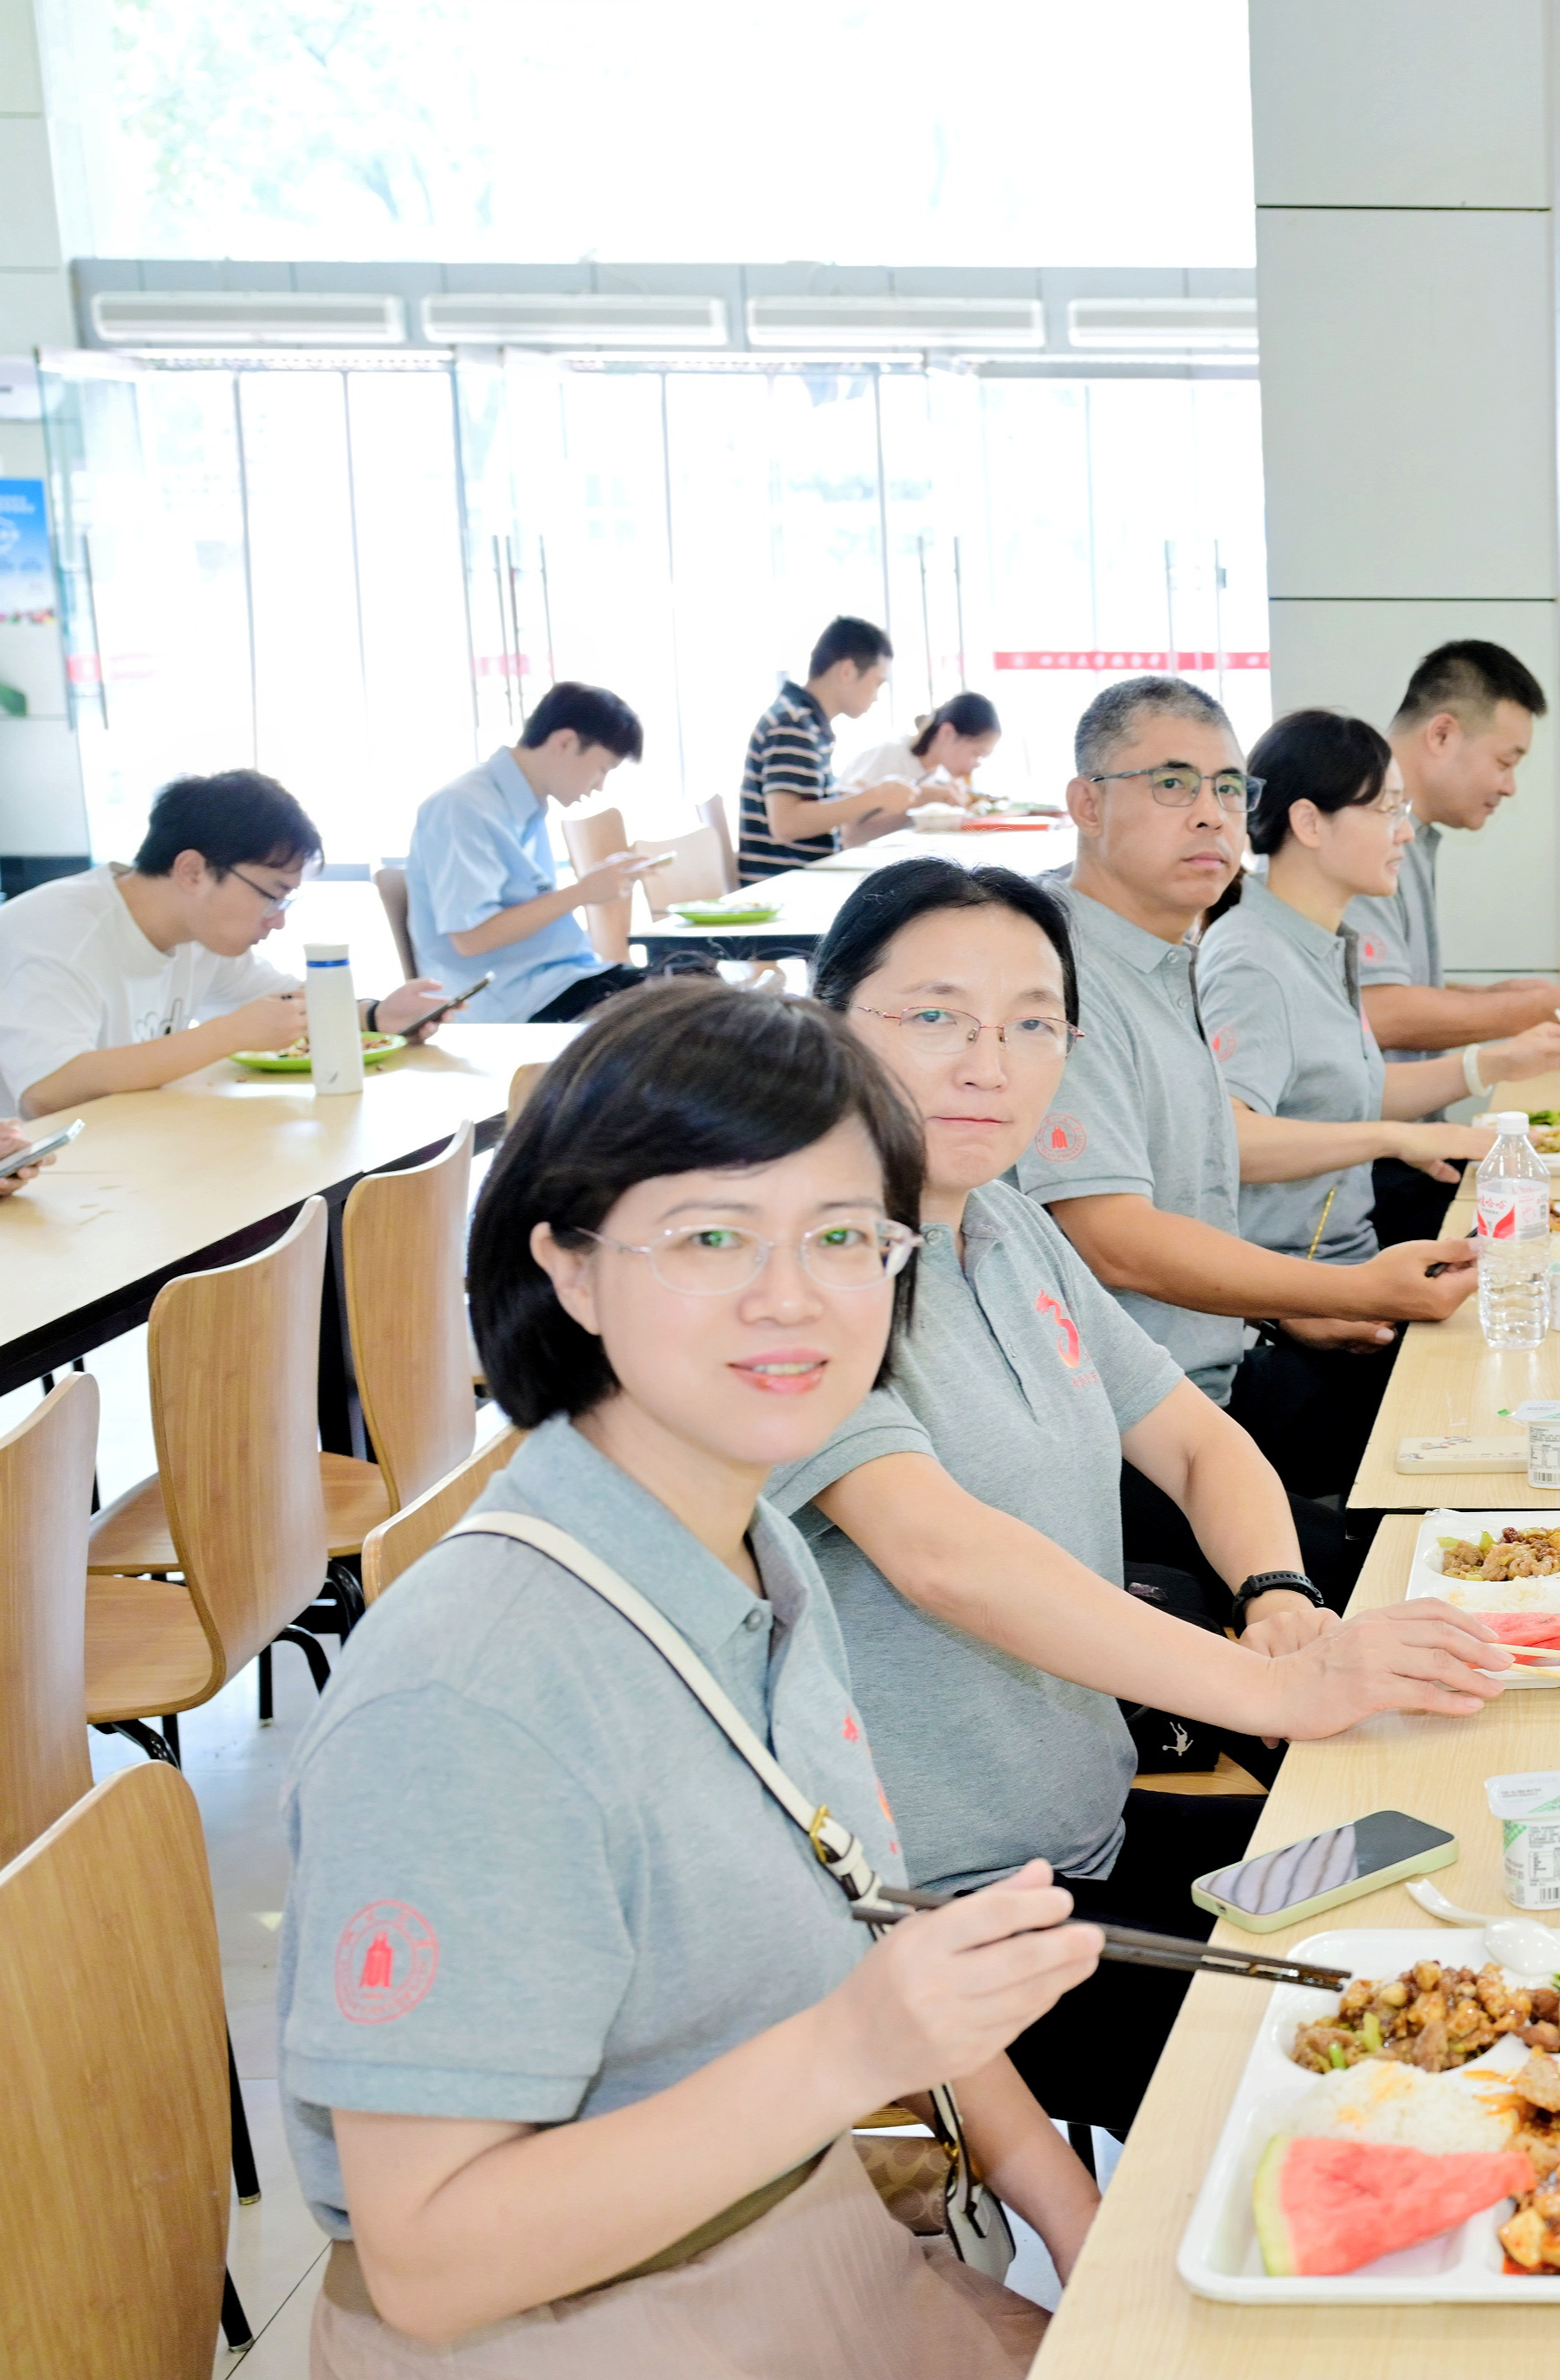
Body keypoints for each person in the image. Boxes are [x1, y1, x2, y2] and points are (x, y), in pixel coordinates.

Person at [277, 978, 1097, 2374]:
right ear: (570, 1268)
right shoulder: (473, 1697)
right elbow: (426, 2263)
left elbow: (879, 1949)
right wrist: (852, 2050)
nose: (791, 1297)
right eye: (712, 1236)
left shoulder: (744, 1549)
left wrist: (1082, 2223)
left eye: (843, 1236)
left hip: (822, 2246)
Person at [786, 857, 1508, 2131]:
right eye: (937, 1016)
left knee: (1450, 1890)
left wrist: (1278, 1598)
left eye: (1032, 1025)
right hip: (944, 1925)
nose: (989, 1065)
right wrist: (1272, 1692)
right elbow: (943, 1558)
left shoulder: (1004, 1225)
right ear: (826, 1021)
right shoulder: (800, 1279)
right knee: (1396, 2078)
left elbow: (1193, 1443)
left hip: (1092, 1842)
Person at [1013, 676, 1478, 1590]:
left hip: (1216, 1364)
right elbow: (1112, 1240)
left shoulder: (1168, 954)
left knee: (1461, 1415)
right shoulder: (1054, 971)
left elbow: (1186, 1187)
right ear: (1086, 804)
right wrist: (1343, 1287)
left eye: (1230, 788)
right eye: (1173, 784)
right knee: (1398, 1566)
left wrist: (1278, 1305)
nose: (1211, 814)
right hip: (1123, 1427)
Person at [1197, 709, 1560, 1497]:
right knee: (1516, 1408)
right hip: (1300, 1311)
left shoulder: (1317, 941)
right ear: (1309, 822)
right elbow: (1230, 1140)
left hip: (1353, 1271)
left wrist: (1493, 1063)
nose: (1404, 832)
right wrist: (1390, 1137)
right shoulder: (1252, 960)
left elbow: (1343, 1091)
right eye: (1386, 809)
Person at [1349, 640, 1560, 1245]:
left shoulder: (1410, 837)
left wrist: (1496, 997)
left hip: (1405, 1148)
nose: (1509, 787)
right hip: (1368, 1172)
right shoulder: (1357, 838)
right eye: (1505, 762)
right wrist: (1535, 1010)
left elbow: (1377, 989)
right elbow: (1378, 1012)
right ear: (1442, 734)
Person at [0, 770, 450, 1118]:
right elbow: (46, 1091)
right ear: (192, 871)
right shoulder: (61, 933)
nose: (278, 920)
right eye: (272, 895)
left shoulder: (198, 933)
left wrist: (376, 1016)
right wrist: (226, 1035)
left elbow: (285, 1005)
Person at [405, 681, 670, 1025]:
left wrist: (588, 888)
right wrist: (583, 892)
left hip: (560, 982)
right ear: (564, 742)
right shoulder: (462, 806)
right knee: (691, 1000)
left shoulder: (525, 805)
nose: (599, 785)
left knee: (694, 979)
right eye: (603, 769)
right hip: (514, 1002)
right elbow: (470, 938)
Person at [738, 617, 913, 876]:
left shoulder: (803, 720)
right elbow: (786, 824)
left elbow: (803, 805)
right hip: (786, 881)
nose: (877, 696)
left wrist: (856, 796)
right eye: (877, 682)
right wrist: (874, 797)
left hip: (798, 875)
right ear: (847, 671)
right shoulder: (793, 723)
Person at [841, 691, 1001, 816]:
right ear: (947, 733)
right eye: (976, 753)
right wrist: (918, 798)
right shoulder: (889, 754)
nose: (977, 764)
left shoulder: (941, 774)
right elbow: (849, 827)